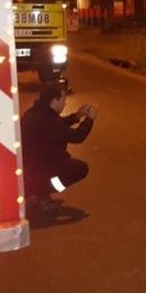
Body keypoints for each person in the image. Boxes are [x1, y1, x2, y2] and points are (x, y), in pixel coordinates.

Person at [21, 79, 98, 215]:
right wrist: (89, 120)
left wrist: (76, 116)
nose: (65, 103)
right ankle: (43, 191)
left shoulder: (32, 114)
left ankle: (34, 191)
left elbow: (58, 125)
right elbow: (77, 136)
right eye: (63, 100)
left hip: (28, 168)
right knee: (80, 169)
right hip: (46, 167)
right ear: (54, 100)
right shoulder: (50, 121)